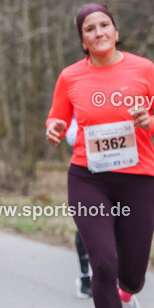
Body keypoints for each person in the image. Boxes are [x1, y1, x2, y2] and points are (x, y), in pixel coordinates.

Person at [45, 3, 154, 308]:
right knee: (103, 263)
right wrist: (54, 128)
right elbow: (57, 117)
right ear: (83, 40)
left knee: (132, 275)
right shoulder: (70, 76)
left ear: (116, 32)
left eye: (105, 25)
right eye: (90, 28)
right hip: (89, 177)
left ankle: (126, 298)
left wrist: (149, 121)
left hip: (138, 177)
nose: (99, 32)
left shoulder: (143, 69)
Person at [66, 118, 92, 298]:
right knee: (86, 224)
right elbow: (70, 137)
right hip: (87, 170)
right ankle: (85, 276)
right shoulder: (77, 91)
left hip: (124, 169)